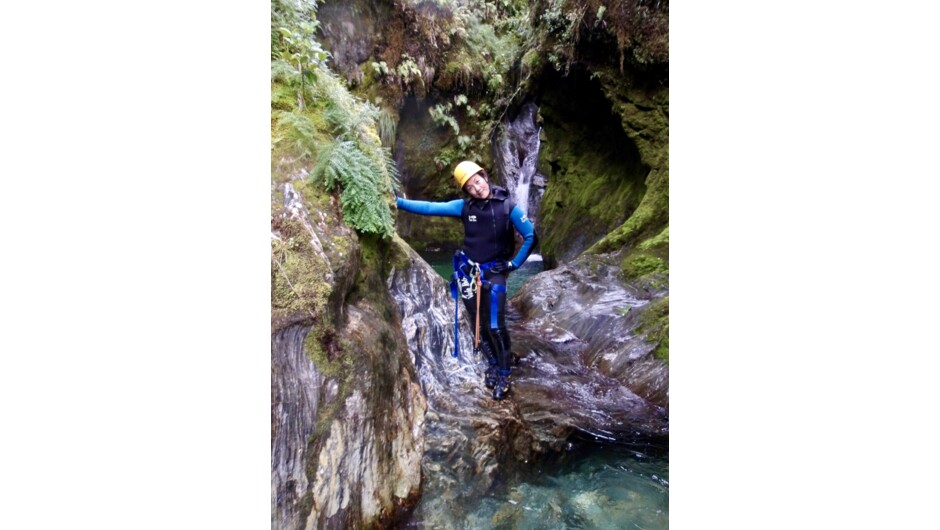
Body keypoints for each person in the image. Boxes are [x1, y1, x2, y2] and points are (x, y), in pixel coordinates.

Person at [396, 160, 537, 400]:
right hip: (468, 271)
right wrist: (397, 202)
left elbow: (530, 236)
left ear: (484, 176)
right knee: (478, 323)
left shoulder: (508, 206)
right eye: (470, 186)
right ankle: (493, 363)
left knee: (495, 325)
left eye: (478, 181)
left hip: (494, 272)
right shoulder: (464, 207)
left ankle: (504, 374)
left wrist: (513, 264)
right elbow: (430, 208)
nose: (476, 188)